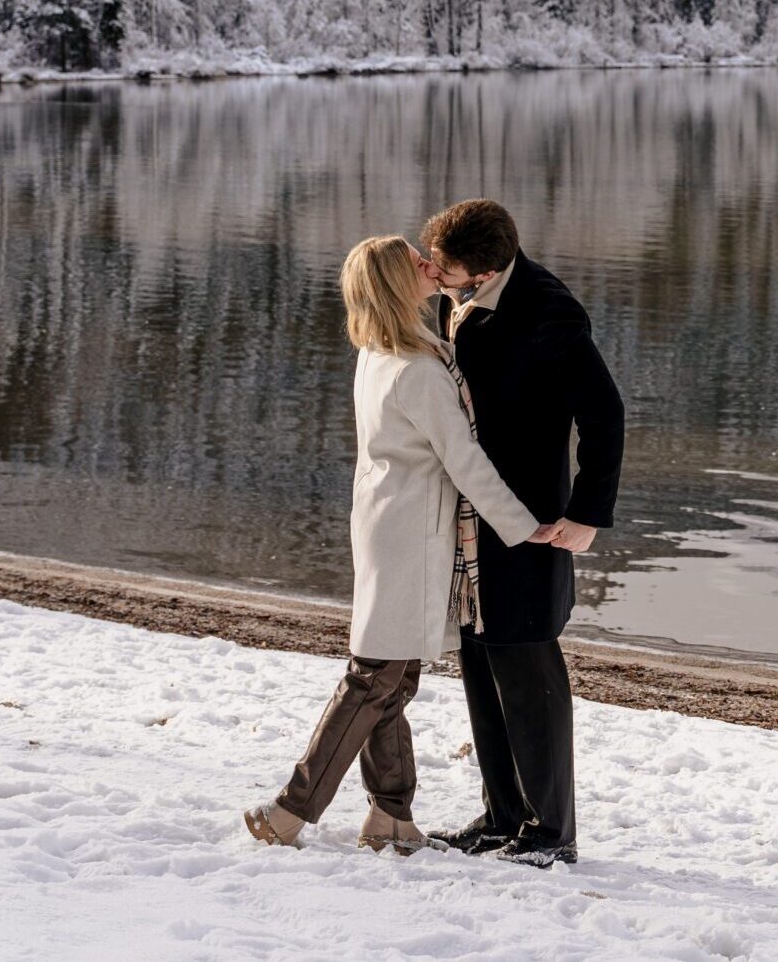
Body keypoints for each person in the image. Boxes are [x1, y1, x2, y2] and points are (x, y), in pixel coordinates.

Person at [244, 236, 558, 853]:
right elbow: (464, 462)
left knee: (391, 677)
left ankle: (391, 815)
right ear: (393, 283)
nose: (428, 262)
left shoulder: (381, 351)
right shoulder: (416, 370)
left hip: (387, 524)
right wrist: (524, 528)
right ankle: (292, 810)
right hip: (411, 535)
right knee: (373, 677)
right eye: (414, 261)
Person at [418, 199, 625, 868]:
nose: (434, 271)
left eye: (443, 263)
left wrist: (588, 514)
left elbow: (604, 413)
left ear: (480, 264)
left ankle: (550, 832)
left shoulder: (547, 309)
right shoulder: (470, 296)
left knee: (528, 666)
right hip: (473, 515)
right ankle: (503, 814)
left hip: (531, 521)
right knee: (482, 658)